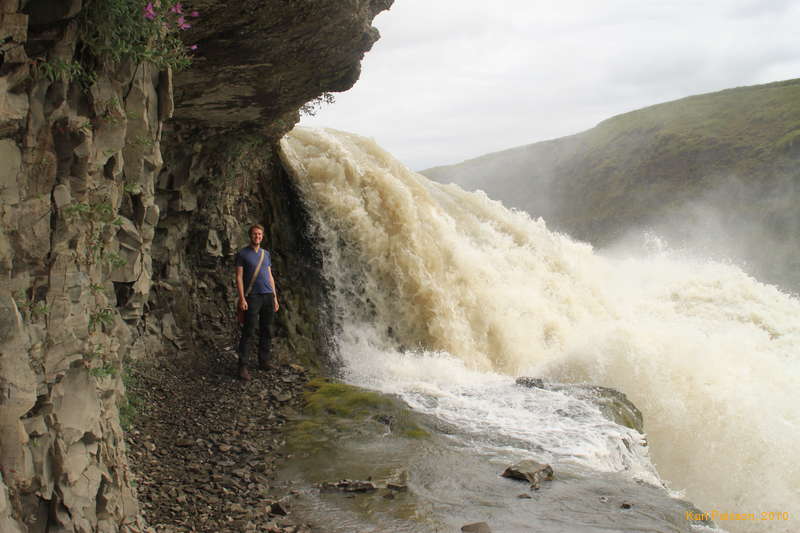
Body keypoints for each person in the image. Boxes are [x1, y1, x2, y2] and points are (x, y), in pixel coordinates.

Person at [235, 224, 280, 381]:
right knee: (248, 331)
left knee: (267, 329)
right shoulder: (242, 254)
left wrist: (275, 297)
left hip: (268, 295)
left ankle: (264, 361)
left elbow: (270, 276)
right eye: (255, 234)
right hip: (252, 296)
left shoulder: (265, 254)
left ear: (262, 236)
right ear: (250, 236)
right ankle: (243, 366)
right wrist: (242, 298)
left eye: (260, 234)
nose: (257, 237)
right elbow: (239, 277)